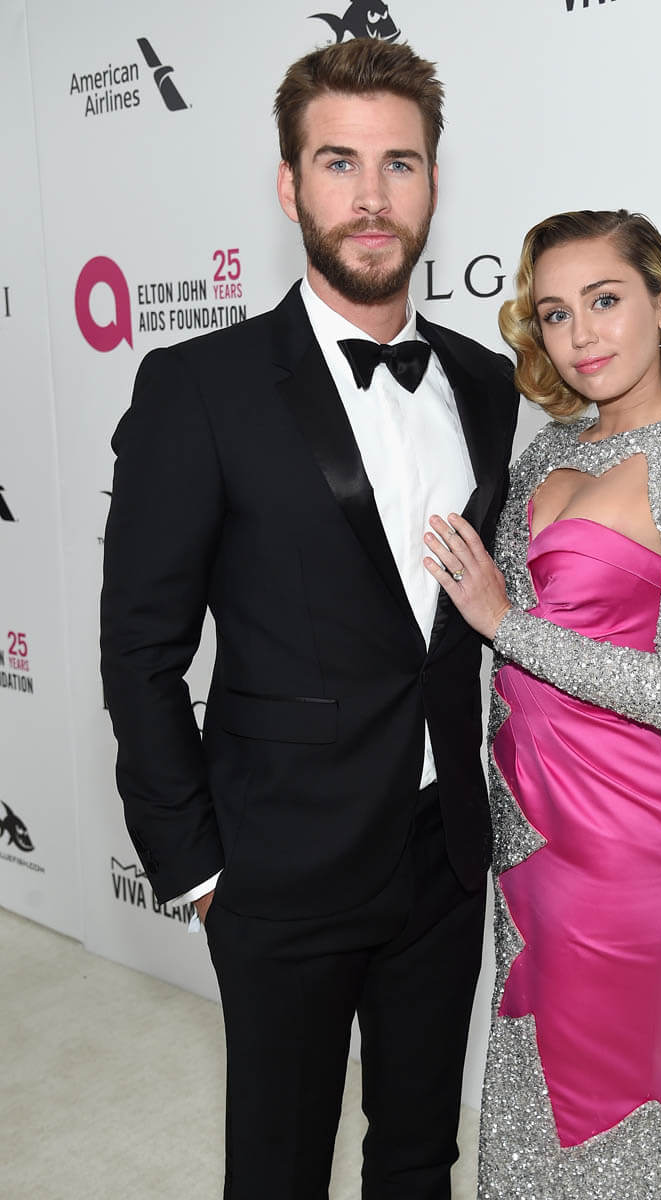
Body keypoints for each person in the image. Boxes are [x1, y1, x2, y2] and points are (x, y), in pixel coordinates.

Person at [100, 38, 518, 1200]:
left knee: (420, 1158)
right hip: (277, 865)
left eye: (399, 164)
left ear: (434, 184)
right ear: (290, 187)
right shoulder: (199, 387)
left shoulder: (488, 385)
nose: (371, 196)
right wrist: (196, 865)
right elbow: (141, 650)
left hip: (444, 854)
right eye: (340, 163)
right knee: (278, 1171)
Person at [423, 209, 661, 1197]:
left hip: (619, 832)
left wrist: (502, 622)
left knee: (607, 1086)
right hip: (525, 815)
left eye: (605, 300)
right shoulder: (544, 453)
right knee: (525, 1077)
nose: (581, 335)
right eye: (556, 313)